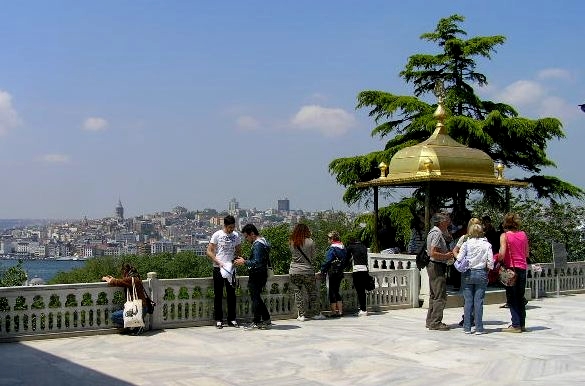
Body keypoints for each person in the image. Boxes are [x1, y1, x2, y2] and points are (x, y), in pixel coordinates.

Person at [456, 223, 494, 334]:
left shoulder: (466, 244)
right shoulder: (487, 245)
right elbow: (490, 262)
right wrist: (487, 269)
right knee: (479, 302)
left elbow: (459, 257)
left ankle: (467, 327)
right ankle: (479, 328)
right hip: (481, 272)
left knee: (468, 302)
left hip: (468, 272)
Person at [206, 215, 242, 329]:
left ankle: (232, 318)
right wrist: (217, 261)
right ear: (225, 226)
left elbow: (239, 250)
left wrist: (236, 259)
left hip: (230, 267)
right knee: (218, 294)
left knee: (232, 294)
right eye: (230, 227)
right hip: (218, 267)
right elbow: (209, 251)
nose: (232, 229)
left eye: (233, 227)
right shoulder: (217, 235)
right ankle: (218, 319)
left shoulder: (236, 236)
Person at [234, 223, 272, 330]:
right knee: (257, 298)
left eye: (246, 236)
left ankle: (257, 321)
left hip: (256, 274)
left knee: (255, 299)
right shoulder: (263, 242)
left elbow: (256, 262)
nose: (246, 239)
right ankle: (265, 320)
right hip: (261, 273)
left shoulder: (258, 245)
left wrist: (244, 261)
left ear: (252, 234)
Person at [498, 213, 529, 333]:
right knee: (520, 296)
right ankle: (522, 324)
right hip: (522, 268)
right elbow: (526, 253)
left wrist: (498, 256)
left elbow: (502, 254)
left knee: (511, 297)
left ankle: (515, 324)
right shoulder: (523, 234)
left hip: (511, 269)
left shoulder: (504, 236)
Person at [288, 223, 325, 321]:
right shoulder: (310, 242)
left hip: (294, 270)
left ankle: (301, 315)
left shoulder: (292, 241)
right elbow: (313, 257)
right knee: (312, 292)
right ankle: (316, 313)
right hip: (307, 270)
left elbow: (292, 255)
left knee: (298, 292)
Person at [425, 213, 455, 331]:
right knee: (440, 295)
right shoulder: (437, 234)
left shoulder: (437, 232)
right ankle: (436, 322)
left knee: (434, 294)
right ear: (441, 222)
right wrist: (446, 256)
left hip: (433, 265)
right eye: (446, 219)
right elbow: (433, 252)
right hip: (436, 265)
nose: (449, 220)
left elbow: (449, 239)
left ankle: (430, 320)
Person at [102, 263, 148, 335]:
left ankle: (138, 324)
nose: (122, 274)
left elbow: (115, 282)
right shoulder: (136, 278)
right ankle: (137, 324)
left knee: (114, 316)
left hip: (138, 309)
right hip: (143, 308)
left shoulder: (131, 279)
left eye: (122, 272)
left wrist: (106, 278)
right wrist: (113, 278)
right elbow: (122, 281)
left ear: (125, 271)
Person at [319, 231, 347, 317]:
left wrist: (322, 270)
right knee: (337, 291)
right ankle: (340, 311)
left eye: (328, 238)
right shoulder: (343, 248)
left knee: (332, 292)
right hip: (340, 272)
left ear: (332, 239)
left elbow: (327, 261)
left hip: (332, 272)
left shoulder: (332, 248)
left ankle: (334, 312)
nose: (328, 240)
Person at [346, 234, 369, 316]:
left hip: (357, 270)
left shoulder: (351, 247)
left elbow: (346, 258)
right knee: (363, 291)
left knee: (360, 291)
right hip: (365, 270)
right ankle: (363, 308)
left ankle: (363, 309)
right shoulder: (364, 246)